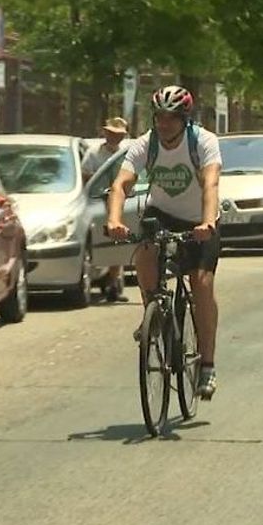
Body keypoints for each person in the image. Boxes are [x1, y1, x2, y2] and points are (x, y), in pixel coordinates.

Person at [104, 85, 223, 400]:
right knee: (144, 252)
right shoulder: (146, 144)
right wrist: (114, 220)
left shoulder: (204, 142)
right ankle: (153, 314)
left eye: (171, 118)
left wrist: (207, 222)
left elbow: (211, 183)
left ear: (185, 119)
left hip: (200, 219)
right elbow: (121, 184)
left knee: (201, 283)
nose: (164, 124)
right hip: (162, 214)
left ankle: (207, 364)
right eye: (159, 117)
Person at [82, 116, 132, 302]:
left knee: (117, 242)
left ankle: (113, 282)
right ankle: (99, 277)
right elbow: (85, 176)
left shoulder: (125, 155)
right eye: (111, 133)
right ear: (104, 133)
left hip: (120, 205)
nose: (114, 137)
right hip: (96, 204)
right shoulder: (93, 154)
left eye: (118, 135)